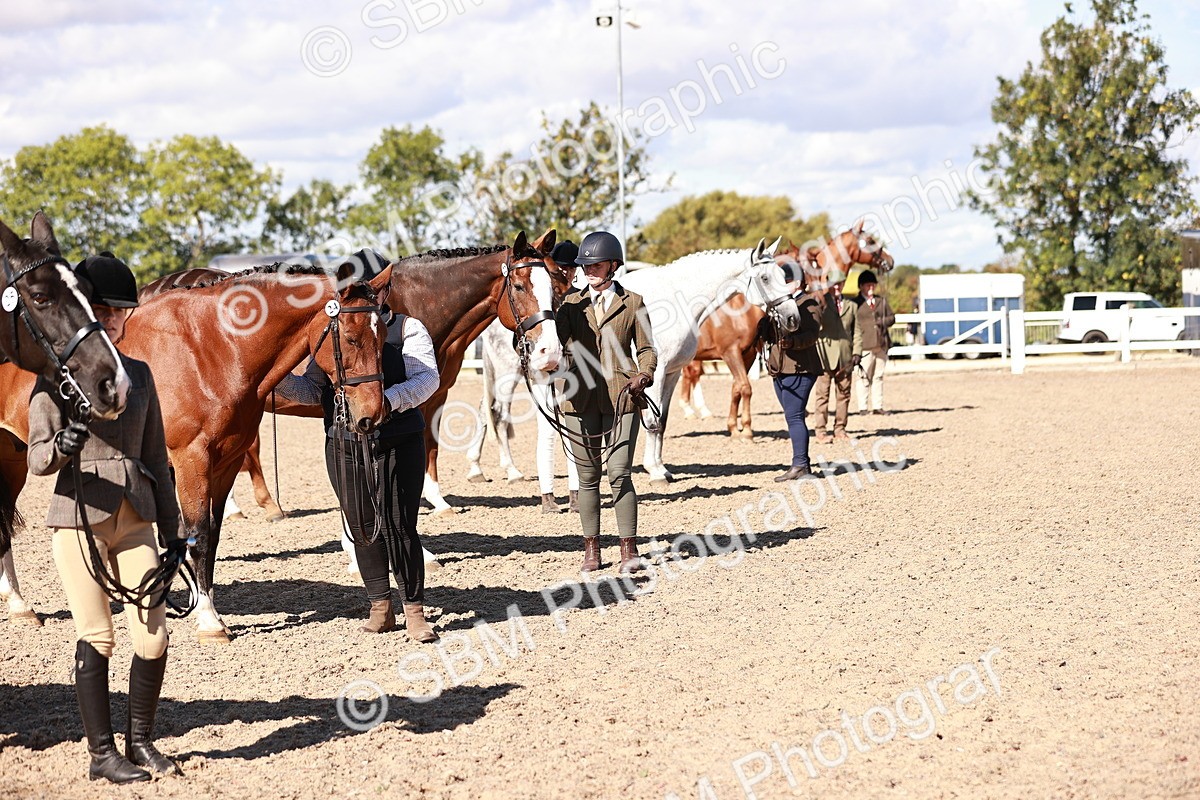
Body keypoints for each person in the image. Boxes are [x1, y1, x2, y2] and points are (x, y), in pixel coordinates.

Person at [28, 253, 184, 784]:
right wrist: (63, 444)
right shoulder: (54, 379)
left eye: (120, 310)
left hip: (135, 515)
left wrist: (175, 533)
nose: (114, 319)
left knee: (153, 636)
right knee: (98, 634)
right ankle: (101, 754)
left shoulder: (139, 375)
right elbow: (37, 459)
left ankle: (140, 741)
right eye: (104, 309)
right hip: (78, 518)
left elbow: (157, 456)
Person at [275, 250, 440, 642]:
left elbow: (427, 379)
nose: (368, 296)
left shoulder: (407, 328)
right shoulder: (331, 331)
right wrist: (274, 377)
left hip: (399, 440)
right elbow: (311, 390)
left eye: (374, 289)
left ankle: (414, 611)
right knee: (362, 527)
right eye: (356, 290)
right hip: (344, 442)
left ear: (384, 291)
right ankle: (380, 607)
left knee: (400, 525)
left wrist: (387, 401)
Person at [555, 231, 657, 573]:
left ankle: (629, 549)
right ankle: (592, 550)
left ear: (613, 265)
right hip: (578, 398)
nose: (589, 271)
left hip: (622, 396)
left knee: (619, 473)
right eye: (585, 266)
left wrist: (644, 374)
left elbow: (647, 348)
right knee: (587, 477)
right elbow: (554, 343)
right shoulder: (570, 304)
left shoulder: (634, 302)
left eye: (596, 265)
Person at [757, 280, 826, 481]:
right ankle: (802, 464)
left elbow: (812, 334)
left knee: (794, 416)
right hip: (780, 368)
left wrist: (793, 342)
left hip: (801, 368)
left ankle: (800, 465)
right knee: (792, 416)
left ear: (797, 282)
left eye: (786, 281)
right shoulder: (777, 304)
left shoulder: (808, 303)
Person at [539, 240, 581, 514]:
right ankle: (547, 495)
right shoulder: (543, 296)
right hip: (542, 372)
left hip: (573, 370)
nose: (567, 272)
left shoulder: (579, 296)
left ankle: (575, 494)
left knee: (573, 430)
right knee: (547, 433)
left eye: (571, 268)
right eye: (563, 267)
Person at [810, 277, 863, 443]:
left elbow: (857, 331)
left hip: (845, 357)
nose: (837, 287)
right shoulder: (821, 303)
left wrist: (857, 352)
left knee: (844, 395)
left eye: (840, 283)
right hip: (824, 356)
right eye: (834, 284)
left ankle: (840, 429)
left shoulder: (852, 305)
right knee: (822, 395)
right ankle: (820, 430)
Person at [854, 270, 896, 415]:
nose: (871, 287)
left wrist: (882, 322)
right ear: (861, 286)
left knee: (878, 376)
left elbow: (892, 318)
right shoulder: (855, 303)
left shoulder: (881, 301)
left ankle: (878, 406)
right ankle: (863, 407)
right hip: (865, 345)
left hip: (881, 344)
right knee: (863, 376)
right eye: (868, 285)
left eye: (873, 284)